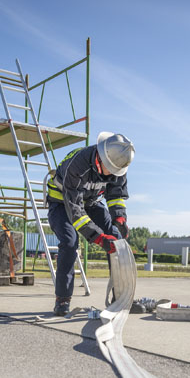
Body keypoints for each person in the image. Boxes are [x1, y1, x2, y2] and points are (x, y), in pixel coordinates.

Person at [46, 132, 134, 316]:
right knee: (70, 243)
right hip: (62, 203)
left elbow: (116, 196)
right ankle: (62, 299)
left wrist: (120, 218)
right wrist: (99, 238)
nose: (113, 174)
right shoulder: (78, 165)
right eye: (110, 169)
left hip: (90, 203)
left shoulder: (118, 164)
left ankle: (119, 297)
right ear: (100, 159)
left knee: (117, 241)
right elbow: (76, 212)